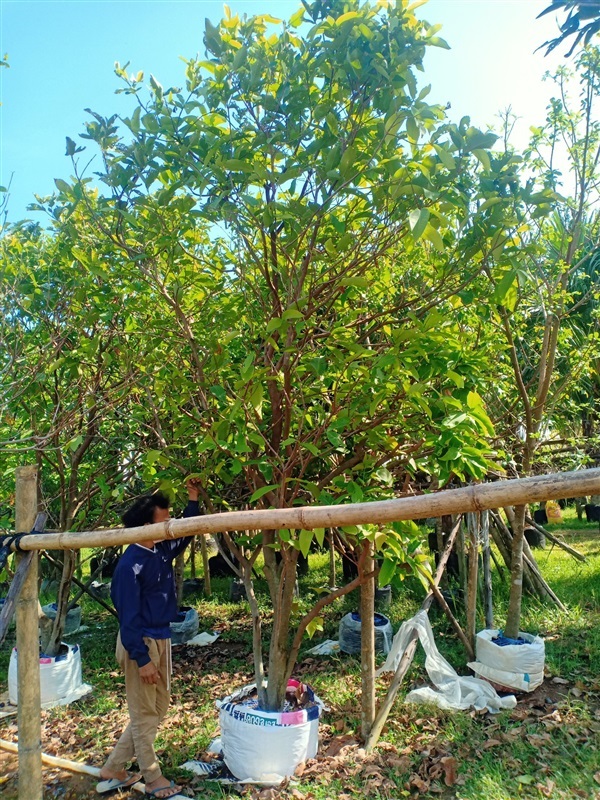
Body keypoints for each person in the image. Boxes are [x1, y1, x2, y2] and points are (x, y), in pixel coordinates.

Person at [96, 480, 201, 799]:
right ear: (145, 526)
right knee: (144, 713)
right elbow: (127, 619)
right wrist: (142, 659)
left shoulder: (158, 550)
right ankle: (153, 777)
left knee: (157, 707)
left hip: (161, 638)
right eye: (163, 520)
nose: (169, 525)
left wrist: (193, 500)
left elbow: (183, 535)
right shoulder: (130, 565)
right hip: (139, 642)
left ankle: (114, 767)